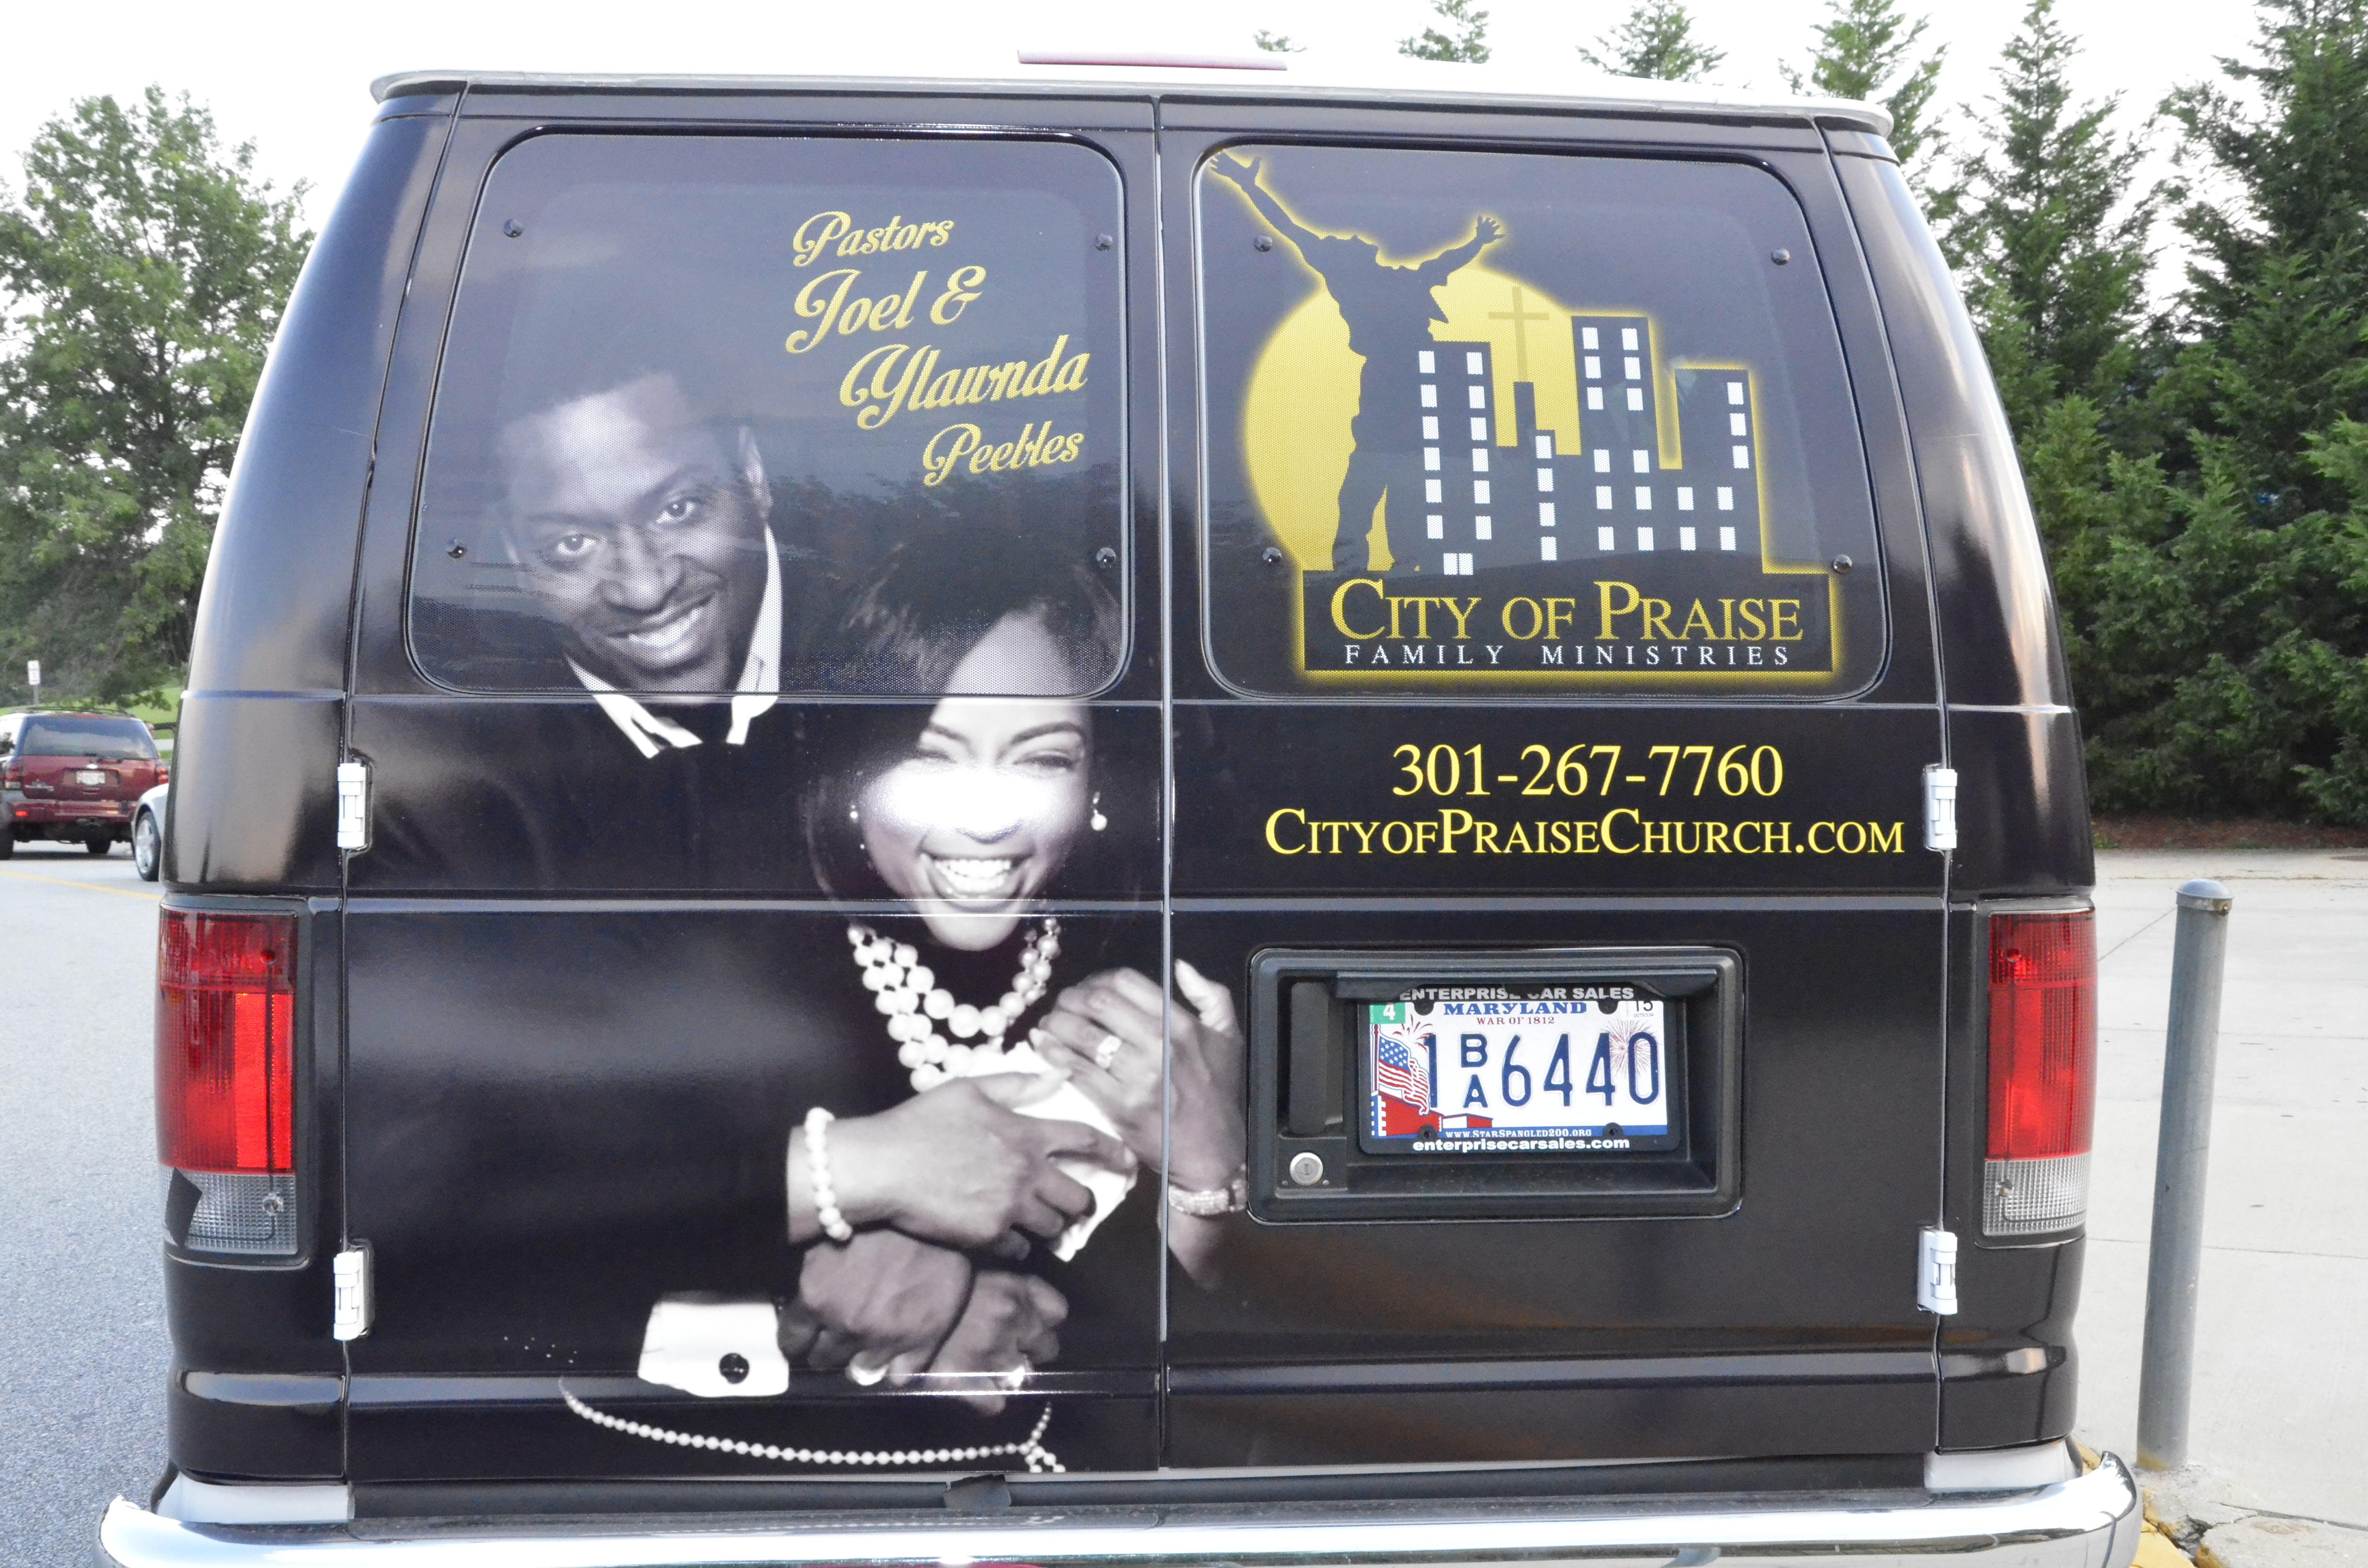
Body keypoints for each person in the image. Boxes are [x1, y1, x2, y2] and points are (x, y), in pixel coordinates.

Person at [695, 535, 1246, 1417]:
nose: (986, 820)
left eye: (1043, 760)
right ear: (853, 769)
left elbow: (1197, 1365)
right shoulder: (731, 953)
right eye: (931, 755)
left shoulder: (1148, 987)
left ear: (1096, 782)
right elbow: (562, 1248)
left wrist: (1208, 1170)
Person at [1209, 156, 1502, 571]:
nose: (1351, 236)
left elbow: (1444, 263)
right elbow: (1288, 227)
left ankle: (1398, 569)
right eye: (1344, 240)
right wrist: (1250, 187)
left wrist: (1477, 242)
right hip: (1390, 392)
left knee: (1398, 486)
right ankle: (1353, 572)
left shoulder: (1403, 280)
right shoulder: (1349, 277)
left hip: (1417, 395)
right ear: (1343, 257)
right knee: (1372, 482)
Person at [494, 368, 784, 758]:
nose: (644, 592)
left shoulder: (870, 652)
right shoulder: (475, 744)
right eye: (573, 544)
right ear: (514, 554)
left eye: (678, 509)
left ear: (752, 475)